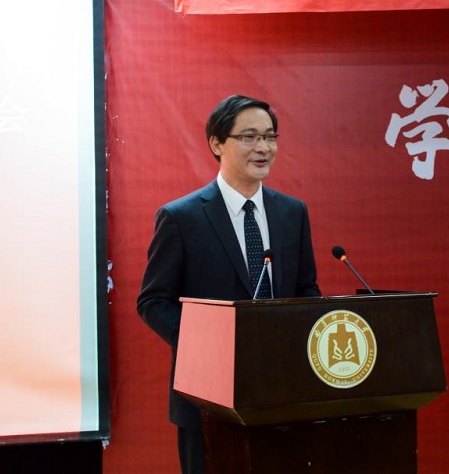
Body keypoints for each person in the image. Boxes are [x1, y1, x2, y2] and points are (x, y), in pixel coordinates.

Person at [136, 94, 321, 474]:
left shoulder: (292, 213)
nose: (263, 147)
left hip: (282, 393)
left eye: (270, 137)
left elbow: (307, 290)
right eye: (249, 137)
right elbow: (153, 301)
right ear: (217, 144)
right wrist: (208, 346)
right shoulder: (181, 217)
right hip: (207, 397)